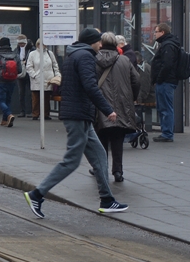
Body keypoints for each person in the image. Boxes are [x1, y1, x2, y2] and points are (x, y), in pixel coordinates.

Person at [25, 28, 128, 217]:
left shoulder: (74, 55)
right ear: (92, 42)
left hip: (80, 115)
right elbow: (90, 86)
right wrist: (108, 110)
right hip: (78, 115)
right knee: (71, 161)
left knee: (99, 155)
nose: (100, 45)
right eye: (98, 41)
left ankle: (107, 200)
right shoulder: (86, 57)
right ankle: (37, 194)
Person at [94, 32, 140, 183]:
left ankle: (101, 169)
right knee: (117, 140)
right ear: (115, 44)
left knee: (101, 140)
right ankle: (118, 171)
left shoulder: (94, 60)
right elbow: (136, 80)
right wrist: (131, 97)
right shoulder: (125, 60)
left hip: (100, 106)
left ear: (101, 44)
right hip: (121, 106)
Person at [150, 22, 180, 142]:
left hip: (166, 81)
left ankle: (167, 133)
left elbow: (167, 64)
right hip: (165, 81)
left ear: (162, 32)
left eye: (156, 31)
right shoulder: (167, 44)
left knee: (166, 108)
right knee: (163, 107)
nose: (155, 34)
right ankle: (165, 132)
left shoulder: (168, 45)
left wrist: (159, 78)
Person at [0, 37, 21, 127]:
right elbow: (19, 69)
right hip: (12, 80)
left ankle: (9, 114)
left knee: (0, 100)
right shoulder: (15, 55)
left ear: (0, 44)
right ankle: (5, 120)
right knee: (8, 100)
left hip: (1, 80)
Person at [26, 45, 60, 120]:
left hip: (48, 78)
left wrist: (57, 75)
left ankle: (46, 114)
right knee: (36, 97)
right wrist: (34, 75)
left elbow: (55, 65)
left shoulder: (50, 53)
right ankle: (35, 114)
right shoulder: (32, 54)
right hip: (37, 78)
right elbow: (29, 66)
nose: (44, 46)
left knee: (46, 97)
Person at [15, 36, 34, 117]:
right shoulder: (17, 49)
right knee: (21, 93)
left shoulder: (31, 49)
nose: (21, 45)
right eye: (20, 44)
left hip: (29, 72)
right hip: (21, 72)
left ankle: (31, 111)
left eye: (23, 43)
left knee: (30, 93)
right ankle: (22, 111)